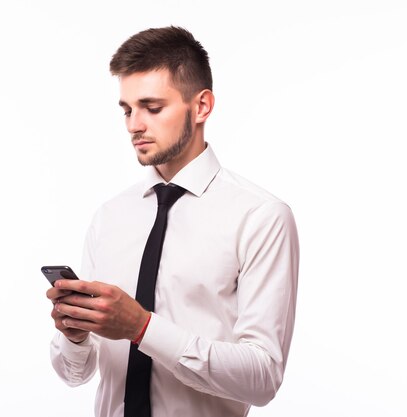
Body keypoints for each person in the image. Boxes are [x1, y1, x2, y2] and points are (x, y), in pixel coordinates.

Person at [47, 26, 299, 417]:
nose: (134, 125)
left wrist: (143, 328)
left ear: (201, 107)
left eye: (152, 107)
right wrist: (76, 338)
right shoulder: (110, 217)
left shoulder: (260, 217)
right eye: (127, 109)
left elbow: (263, 378)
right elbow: (75, 375)